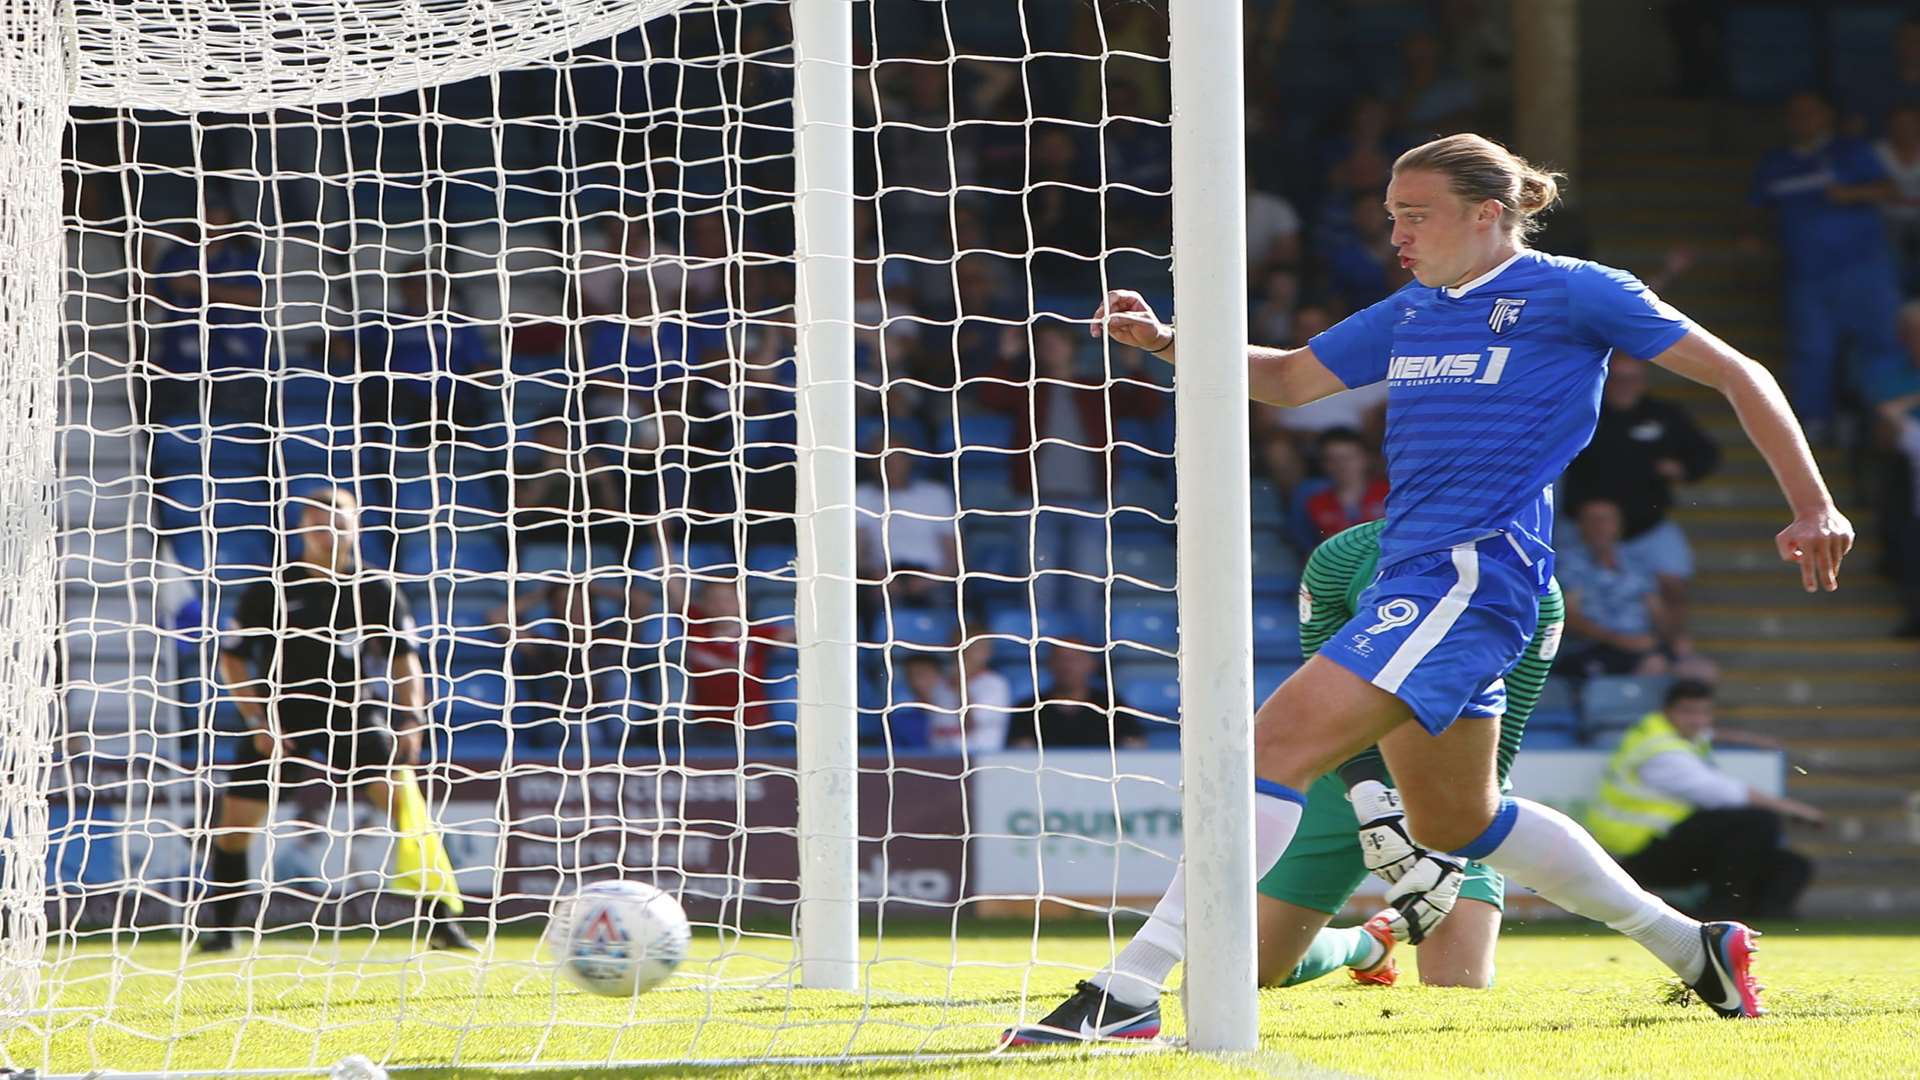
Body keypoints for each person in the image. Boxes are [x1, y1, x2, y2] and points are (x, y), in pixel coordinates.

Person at [1009, 132, 1851, 1043]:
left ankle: (1131, 989)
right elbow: (1290, 379)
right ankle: (1693, 949)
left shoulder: (1576, 290)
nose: (1398, 234)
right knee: (1457, 816)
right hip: (1416, 577)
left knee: (1269, 746)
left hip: (1472, 575)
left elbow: (1738, 370)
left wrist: (1813, 505)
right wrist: (1170, 342)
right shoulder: (1415, 309)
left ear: (1488, 214)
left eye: (1416, 215)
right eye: (1391, 217)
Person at [1006, 517, 1569, 1049]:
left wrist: (1449, 842)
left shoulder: (1534, 584)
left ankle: (1655, 927)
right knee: (1251, 972)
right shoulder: (1342, 556)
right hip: (1336, 783)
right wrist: (1369, 794)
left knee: (1458, 984)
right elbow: (1326, 693)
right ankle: (1368, 943)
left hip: (1454, 786)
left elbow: (1507, 728)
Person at [201, 488, 470, 953]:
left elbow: (404, 659)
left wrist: (411, 719)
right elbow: (233, 660)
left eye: (338, 522)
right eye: (317, 522)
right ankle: (222, 929)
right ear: (302, 527)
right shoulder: (271, 589)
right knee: (234, 824)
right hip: (283, 714)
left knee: (407, 808)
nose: (328, 532)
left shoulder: (374, 587)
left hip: (352, 709)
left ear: (354, 528)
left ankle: (443, 924)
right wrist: (257, 720)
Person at [1588, 681, 1822, 921]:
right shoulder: (1661, 752)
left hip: (1668, 842)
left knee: (1792, 865)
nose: (1697, 720)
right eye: (1688, 711)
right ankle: (1720, 911)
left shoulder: (1664, 732)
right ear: (1667, 711)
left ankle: (1768, 916)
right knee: (1758, 821)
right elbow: (1725, 793)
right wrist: (1795, 809)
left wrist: (1751, 739)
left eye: (1704, 712)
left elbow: (1709, 733)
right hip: (1642, 852)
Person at [1749, 91, 1901, 442]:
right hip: (1807, 275)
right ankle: (1815, 423)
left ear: (1826, 116)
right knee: (1812, 350)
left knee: (1879, 347)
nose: (1802, 119)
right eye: (1795, 113)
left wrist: (1850, 194)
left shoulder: (1852, 151)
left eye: (1810, 112)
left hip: (1865, 270)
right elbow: (1756, 208)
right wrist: (1750, 241)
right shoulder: (1775, 163)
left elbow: (1889, 190)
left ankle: (1884, 419)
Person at [1561, 355, 1718, 652]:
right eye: (1617, 378)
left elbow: (1707, 454)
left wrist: (1683, 469)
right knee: (1556, 588)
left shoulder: (1663, 415)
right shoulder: (1583, 413)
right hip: (1586, 526)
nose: (1624, 386)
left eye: (1632, 378)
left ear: (1643, 382)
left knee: (1673, 585)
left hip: (1647, 526)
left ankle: (1675, 650)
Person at [1556, 497, 1678, 679]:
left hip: (1640, 647)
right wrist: (1619, 640)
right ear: (1580, 525)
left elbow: (1656, 610)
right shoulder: (1567, 562)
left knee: (1692, 670)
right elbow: (1569, 616)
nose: (1600, 526)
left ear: (1619, 525)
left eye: (1606, 519)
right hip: (1589, 649)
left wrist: (1665, 642)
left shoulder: (1636, 563)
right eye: (1593, 520)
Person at [1004, 641, 1144, 750]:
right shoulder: (1028, 708)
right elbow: (1020, 755)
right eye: (1061, 659)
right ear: (1049, 663)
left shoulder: (1113, 706)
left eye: (1075, 659)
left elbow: (1134, 748)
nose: (1067, 666)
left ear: (1091, 664)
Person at [1296, 427, 1389, 550]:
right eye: (1332, 459)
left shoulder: (1389, 493)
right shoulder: (1315, 503)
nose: (1342, 465)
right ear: (1323, 464)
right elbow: (1308, 548)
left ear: (1366, 459)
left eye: (1349, 458)